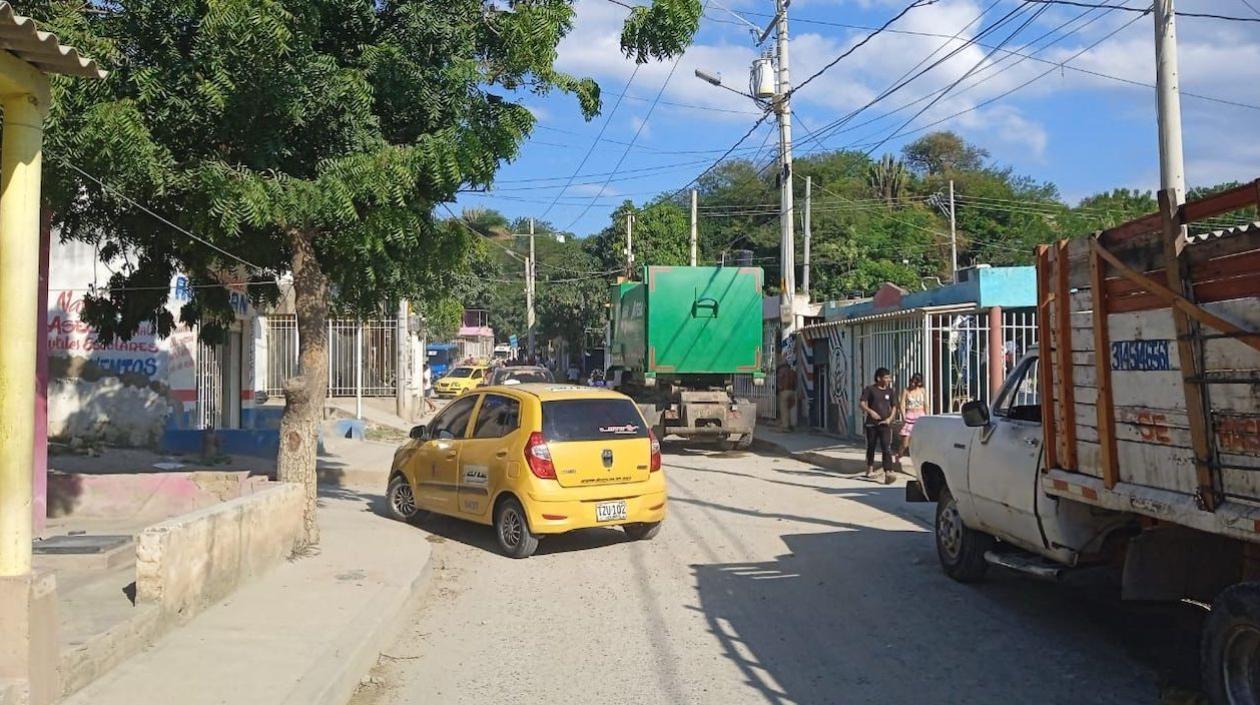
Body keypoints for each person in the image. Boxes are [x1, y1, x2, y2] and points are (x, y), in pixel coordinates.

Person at [859, 368, 898, 484]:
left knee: (886, 447)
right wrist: (870, 412)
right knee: (871, 446)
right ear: (879, 378)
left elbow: (894, 406)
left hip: (885, 424)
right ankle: (869, 470)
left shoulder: (890, 391)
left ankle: (888, 472)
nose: (888, 380)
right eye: (886, 378)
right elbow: (861, 403)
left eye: (889, 377)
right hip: (872, 424)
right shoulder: (870, 389)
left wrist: (890, 419)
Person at [895, 373, 926, 464]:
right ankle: (899, 454)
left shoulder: (922, 390)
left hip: (920, 414)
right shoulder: (906, 391)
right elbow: (902, 404)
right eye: (911, 381)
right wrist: (903, 416)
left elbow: (926, 404)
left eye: (915, 382)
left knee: (920, 441)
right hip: (910, 415)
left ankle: (918, 459)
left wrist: (927, 416)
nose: (912, 384)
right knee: (905, 442)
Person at [776, 362, 797, 430]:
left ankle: (785, 425)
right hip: (793, 391)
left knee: (784, 410)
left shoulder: (781, 371)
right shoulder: (792, 371)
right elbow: (795, 381)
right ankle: (793, 424)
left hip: (784, 391)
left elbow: (779, 381)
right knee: (792, 409)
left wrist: (779, 389)